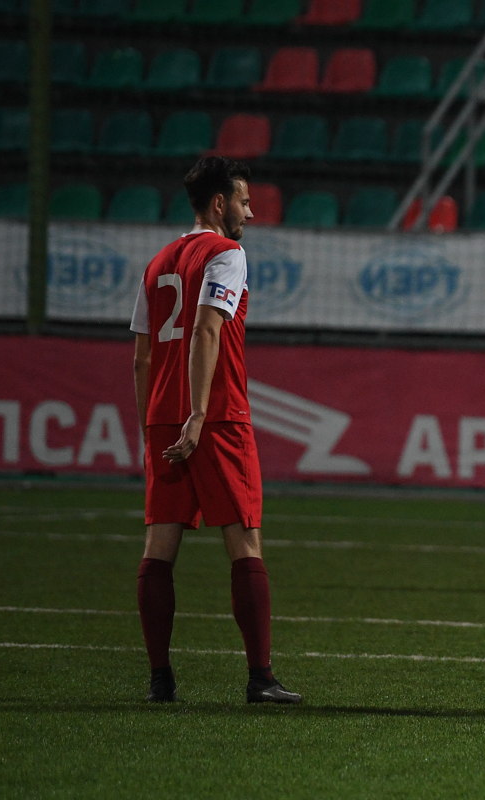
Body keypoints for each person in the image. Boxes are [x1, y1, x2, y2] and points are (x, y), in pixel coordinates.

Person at [129, 156, 301, 705]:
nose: (249, 214)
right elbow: (207, 330)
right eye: (245, 203)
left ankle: (160, 680)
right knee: (244, 542)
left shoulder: (157, 263)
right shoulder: (227, 254)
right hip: (218, 415)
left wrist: (152, 428)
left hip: (163, 418)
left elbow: (142, 358)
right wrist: (199, 414)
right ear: (220, 203)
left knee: (159, 547)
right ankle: (260, 678)